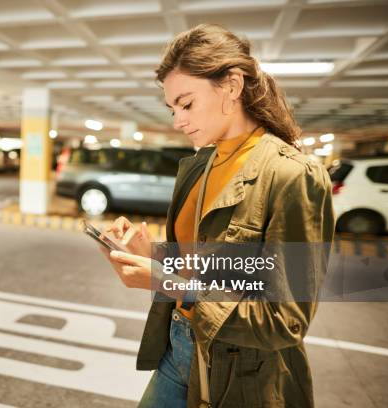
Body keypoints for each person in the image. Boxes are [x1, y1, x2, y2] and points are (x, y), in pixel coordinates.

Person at [101, 24, 335, 408]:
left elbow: (285, 321)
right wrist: (153, 255)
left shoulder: (293, 175)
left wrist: (171, 283)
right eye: (172, 108)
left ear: (232, 86)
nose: (178, 121)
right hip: (177, 348)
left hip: (241, 373)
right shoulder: (199, 166)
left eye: (187, 103)